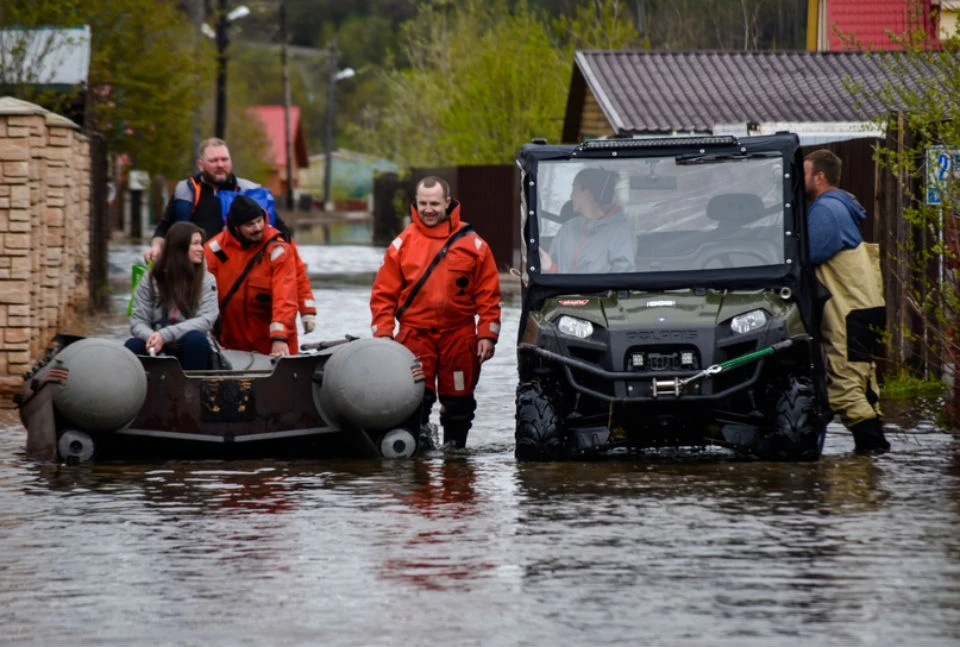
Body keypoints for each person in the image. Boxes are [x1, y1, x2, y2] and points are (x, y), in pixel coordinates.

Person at [370, 176, 502, 449]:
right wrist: (384, 336)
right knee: (415, 399)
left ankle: (455, 457)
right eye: (422, 203)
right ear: (415, 204)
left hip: (459, 336)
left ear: (447, 202)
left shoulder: (474, 245)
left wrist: (487, 335)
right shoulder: (401, 245)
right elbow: (382, 296)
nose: (428, 209)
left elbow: (489, 297)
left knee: (459, 402)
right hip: (415, 336)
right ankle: (418, 458)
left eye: (434, 203)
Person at [146, 137, 317, 334]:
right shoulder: (187, 191)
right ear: (201, 164)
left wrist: (306, 307)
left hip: (242, 274)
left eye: (224, 160)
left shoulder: (250, 191)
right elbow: (165, 227)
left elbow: (283, 239)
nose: (220, 165)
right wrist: (157, 247)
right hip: (195, 274)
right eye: (214, 161)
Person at [804, 149, 889, 453]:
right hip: (866, 308)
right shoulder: (844, 207)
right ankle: (872, 464)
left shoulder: (826, 210)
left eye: (804, 173)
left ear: (820, 176)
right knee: (864, 384)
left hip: (848, 314)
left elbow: (807, 256)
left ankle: (872, 451)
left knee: (845, 388)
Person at [204, 195, 300, 357]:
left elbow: (285, 297)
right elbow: (203, 297)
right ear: (235, 227)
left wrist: (280, 338)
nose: (257, 228)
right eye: (250, 224)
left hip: (271, 342)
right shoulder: (214, 250)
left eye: (259, 221)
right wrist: (209, 337)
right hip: (229, 340)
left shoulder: (277, 249)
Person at [125, 222, 218, 370]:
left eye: (201, 243)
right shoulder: (151, 279)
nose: (201, 249)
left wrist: (165, 335)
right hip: (156, 344)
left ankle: (193, 390)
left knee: (195, 340)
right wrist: (153, 338)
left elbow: (206, 319)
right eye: (195, 244)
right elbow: (138, 321)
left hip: (189, 344)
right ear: (179, 248)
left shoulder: (207, 280)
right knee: (132, 346)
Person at [539, 167, 635, 274]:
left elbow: (621, 279)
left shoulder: (621, 233)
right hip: (563, 290)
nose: (571, 196)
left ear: (587, 194)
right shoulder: (567, 229)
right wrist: (548, 267)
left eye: (574, 189)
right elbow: (555, 268)